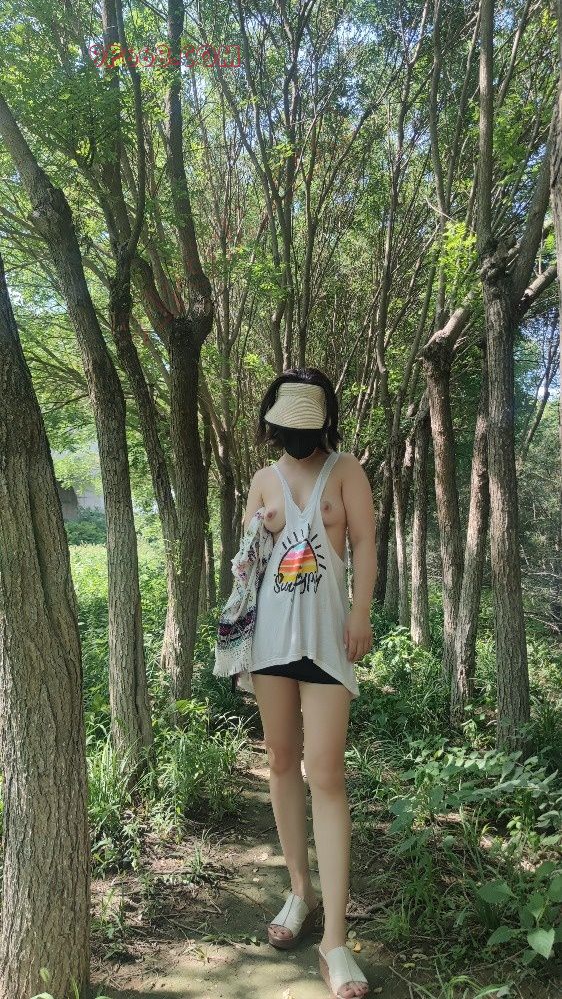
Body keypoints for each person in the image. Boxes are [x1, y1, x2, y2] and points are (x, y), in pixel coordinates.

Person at [240, 368, 377, 998]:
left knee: (326, 772)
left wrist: (361, 612)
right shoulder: (263, 477)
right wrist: (259, 528)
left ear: (323, 422)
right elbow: (245, 563)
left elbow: (365, 543)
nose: (294, 437)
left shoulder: (346, 471)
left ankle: (336, 940)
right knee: (280, 759)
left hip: (326, 642)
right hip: (270, 642)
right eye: (285, 427)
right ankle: (299, 891)